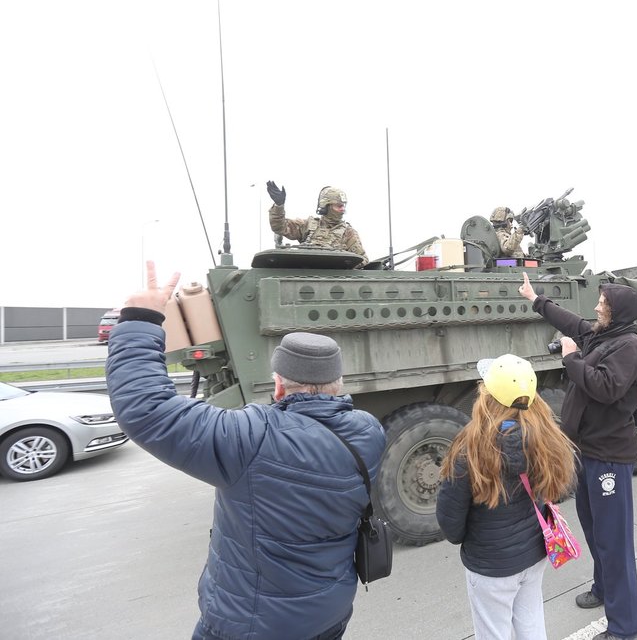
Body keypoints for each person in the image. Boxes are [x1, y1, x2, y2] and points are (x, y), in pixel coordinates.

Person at [105, 261, 386, 640]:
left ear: (279, 385)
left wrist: (140, 320)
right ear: (337, 384)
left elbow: (148, 410)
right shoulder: (368, 432)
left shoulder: (249, 436)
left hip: (251, 625)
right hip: (329, 614)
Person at [518, 272, 637, 640]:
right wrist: (535, 298)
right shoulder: (605, 336)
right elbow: (571, 322)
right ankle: (604, 588)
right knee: (595, 530)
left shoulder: (629, 347)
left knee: (614, 541)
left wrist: (572, 360)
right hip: (588, 451)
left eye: (602, 304)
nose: (595, 307)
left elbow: (606, 387)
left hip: (609, 456)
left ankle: (626, 628)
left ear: (616, 311)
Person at [436, 354, 577, 640]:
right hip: (535, 552)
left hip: (491, 564)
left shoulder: (470, 448)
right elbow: (558, 489)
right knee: (531, 622)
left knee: (492, 633)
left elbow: (450, 523)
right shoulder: (547, 437)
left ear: (487, 395)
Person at [266, 181, 367, 266]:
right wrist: (279, 205)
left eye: (343, 206)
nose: (342, 209)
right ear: (326, 206)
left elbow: (363, 260)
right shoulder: (308, 225)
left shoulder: (348, 233)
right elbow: (280, 227)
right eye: (339, 206)